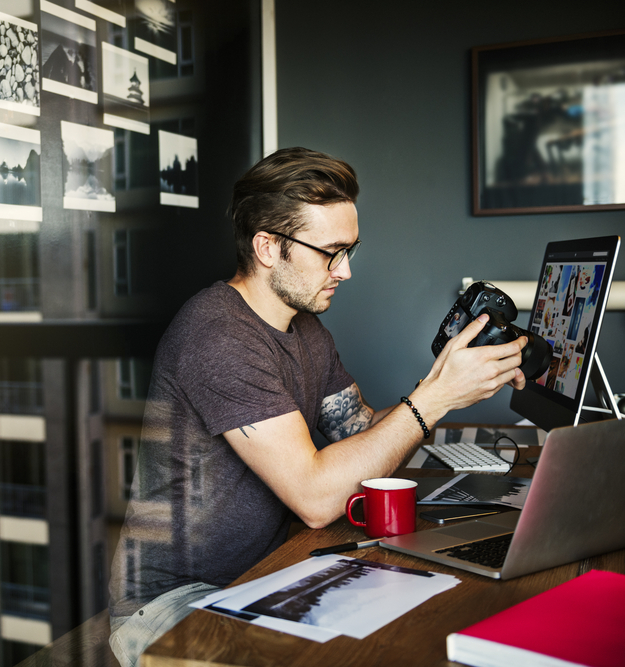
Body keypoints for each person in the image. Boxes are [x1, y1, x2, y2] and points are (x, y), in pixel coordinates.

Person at [107, 147, 527, 667]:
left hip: (265, 575)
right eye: (330, 251)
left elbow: (362, 429)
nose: (345, 271)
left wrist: (446, 380)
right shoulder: (216, 335)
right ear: (267, 247)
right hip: (172, 602)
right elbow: (315, 497)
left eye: (350, 250)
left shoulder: (306, 329)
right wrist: (435, 397)